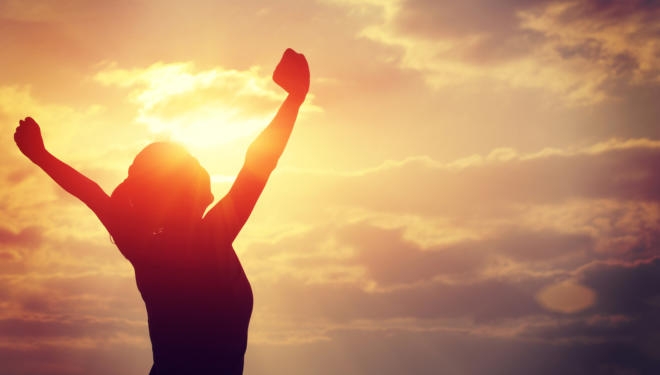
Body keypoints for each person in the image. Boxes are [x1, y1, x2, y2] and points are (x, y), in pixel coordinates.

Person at [13, 48, 310, 375]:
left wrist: (41, 156)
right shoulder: (207, 238)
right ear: (193, 188)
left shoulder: (143, 244)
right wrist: (293, 100)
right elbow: (258, 165)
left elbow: (90, 192)